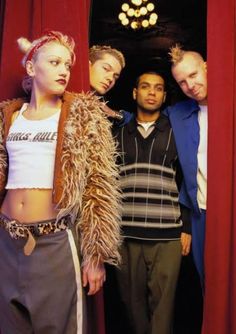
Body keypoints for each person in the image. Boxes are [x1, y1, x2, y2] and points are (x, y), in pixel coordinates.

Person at [0, 31, 121, 334]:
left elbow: (98, 188)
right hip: (7, 240)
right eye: (54, 62)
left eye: (67, 65)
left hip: (53, 242)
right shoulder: (10, 116)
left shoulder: (82, 116)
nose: (64, 70)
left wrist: (95, 255)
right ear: (31, 68)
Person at [112, 71, 191, 334]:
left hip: (167, 234)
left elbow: (188, 180)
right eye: (145, 86)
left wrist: (186, 227)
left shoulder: (176, 132)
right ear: (135, 93)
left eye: (158, 88)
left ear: (165, 96)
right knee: (130, 305)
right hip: (125, 232)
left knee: (164, 306)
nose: (152, 92)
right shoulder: (117, 132)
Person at [165, 45, 207, 287]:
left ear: (207, 68)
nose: (190, 86)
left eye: (193, 75)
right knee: (207, 279)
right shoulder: (178, 114)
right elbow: (142, 119)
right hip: (201, 212)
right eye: (182, 82)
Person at [89, 45, 133, 124]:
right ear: (88, 65)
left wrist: (114, 114)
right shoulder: (67, 101)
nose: (110, 78)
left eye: (115, 77)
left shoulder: (100, 113)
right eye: (106, 69)